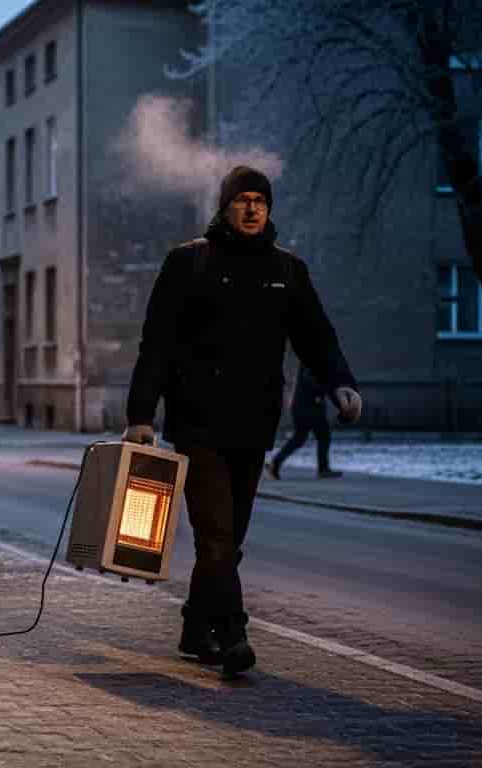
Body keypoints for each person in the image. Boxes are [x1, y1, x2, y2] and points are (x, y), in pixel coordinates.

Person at [124, 165, 362, 675]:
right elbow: (157, 345)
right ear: (225, 206)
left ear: (269, 209)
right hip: (198, 423)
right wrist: (141, 414)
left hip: (255, 425)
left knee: (229, 541)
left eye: (260, 200)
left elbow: (315, 335)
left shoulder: (288, 270)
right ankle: (233, 634)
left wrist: (340, 381)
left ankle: (194, 626)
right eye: (242, 200)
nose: (252, 208)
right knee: (216, 537)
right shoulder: (189, 263)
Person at [267, 365, 342, 479]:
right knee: (323, 436)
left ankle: (275, 463)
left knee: (300, 437)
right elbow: (312, 381)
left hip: (303, 405)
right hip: (309, 406)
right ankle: (323, 469)